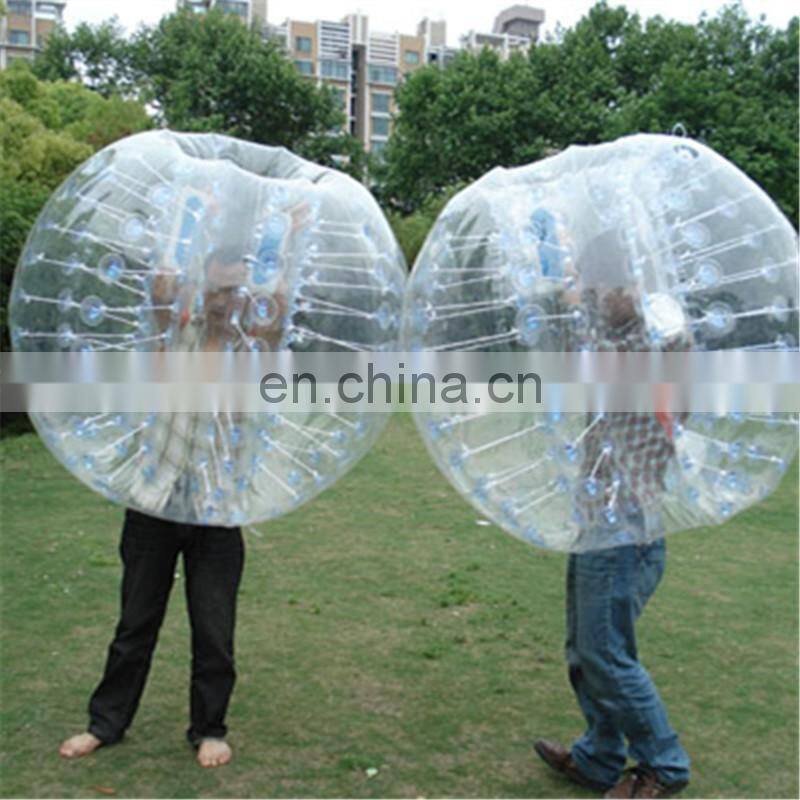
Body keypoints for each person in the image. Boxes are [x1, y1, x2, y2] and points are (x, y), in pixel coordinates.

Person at [59, 249, 286, 768]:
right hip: (154, 503)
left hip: (216, 510)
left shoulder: (252, 353)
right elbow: (159, 294)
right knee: (134, 625)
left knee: (214, 632)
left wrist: (292, 239)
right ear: (201, 287)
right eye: (218, 288)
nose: (225, 300)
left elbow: (277, 317)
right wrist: (175, 239)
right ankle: (105, 724)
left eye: (235, 290)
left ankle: (209, 729)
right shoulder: (174, 336)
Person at [534, 270, 692, 798]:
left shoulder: (658, 341)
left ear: (635, 282)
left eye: (606, 285)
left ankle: (663, 765)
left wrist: (573, 299)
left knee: (605, 652)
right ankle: (598, 756)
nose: (600, 297)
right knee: (585, 649)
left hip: (625, 527)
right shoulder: (614, 337)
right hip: (598, 520)